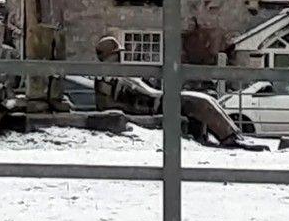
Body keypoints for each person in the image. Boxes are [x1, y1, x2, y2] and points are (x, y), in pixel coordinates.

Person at [91, 35, 258, 149]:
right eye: (116, 55)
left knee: (206, 98)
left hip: (157, 100)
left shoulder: (119, 74)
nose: (120, 58)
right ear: (108, 56)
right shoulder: (107, 79)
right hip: (155, 105)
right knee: (199, 102)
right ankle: (229, 138)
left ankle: (234, 135)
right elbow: (107, 106)